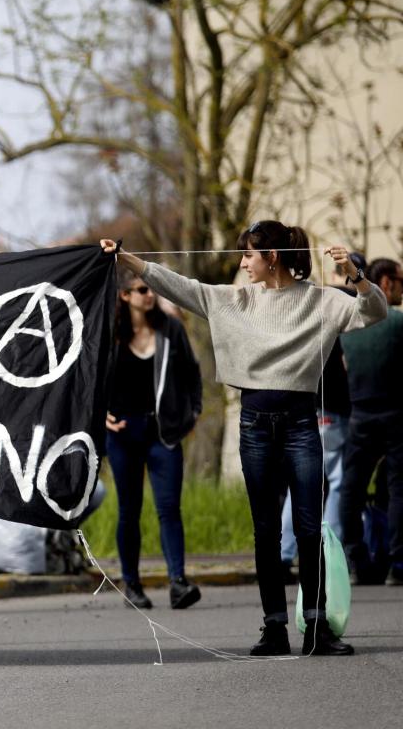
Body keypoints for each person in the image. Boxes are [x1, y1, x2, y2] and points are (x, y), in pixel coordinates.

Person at [101, 220, 387, 656]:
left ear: (271, 257)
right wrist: (126, 259)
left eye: (249, 255)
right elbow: (178, 284)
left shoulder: (322, 301)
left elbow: (376, 311)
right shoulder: (233, 300)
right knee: (266, 530)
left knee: (309, 529)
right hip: (254, 426)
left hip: (299, 425)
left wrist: (355, 275)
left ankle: (317, 628)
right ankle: (274, 629)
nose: (242, 264)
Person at [105, 268, 203, 610]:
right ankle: (131, 584)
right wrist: (99, 413)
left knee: (169, 508)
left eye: (152, 290)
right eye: (142, 289)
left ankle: (178, 582)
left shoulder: (170, 329)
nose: (150, 295)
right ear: (125, 296)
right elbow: (89, 377)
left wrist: (193, 415)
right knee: (128, 510)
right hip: (122, 435)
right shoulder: (110, 333)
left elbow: (193, 374)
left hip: (163, 434)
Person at [337, 257, 403, 585]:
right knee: (397, 488)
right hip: (396, 414)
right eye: (400, 281)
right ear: (387, 284)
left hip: (359, 415)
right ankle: (398, 563)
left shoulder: (350, 327)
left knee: (351, 489)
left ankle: (356, 560)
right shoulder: (397, 322)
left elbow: (344, 367)